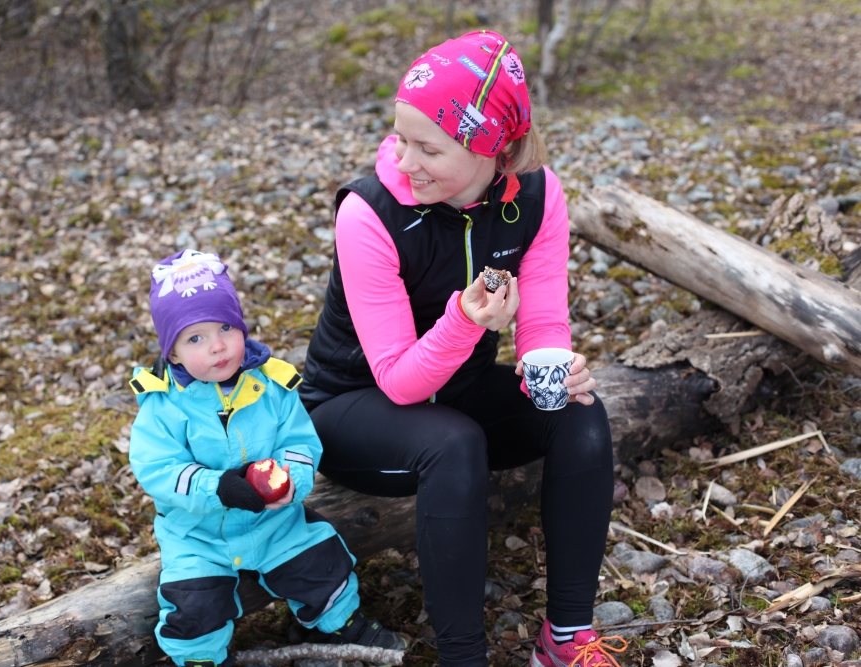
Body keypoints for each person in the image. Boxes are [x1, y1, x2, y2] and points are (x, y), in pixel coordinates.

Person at [300, 31, 623, 667]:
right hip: (351, 406)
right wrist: (466, 323)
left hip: (459, 391)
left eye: (429, 147)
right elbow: (397, 382)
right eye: (400, 137)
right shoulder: (369, 212)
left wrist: (553, 371)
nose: (405, 160)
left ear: (493, 148)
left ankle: (565, 640)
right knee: (453, 442)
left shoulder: (536, 196)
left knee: (582, 414)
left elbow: (543, 323)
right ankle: (462, 657)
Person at [128, 249, 405, 667]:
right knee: (192, 604)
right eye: (195, 338)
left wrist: (292, 479)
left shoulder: (272, 385)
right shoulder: (163, 407)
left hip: (275, 520)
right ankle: (200, 659)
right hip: (198, 534)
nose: (218, 346)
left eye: (225, 327)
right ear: (173, 353)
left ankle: (337, 622)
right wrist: (218, 487)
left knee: (322, 560)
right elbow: (158, 469)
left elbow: (299, 442)